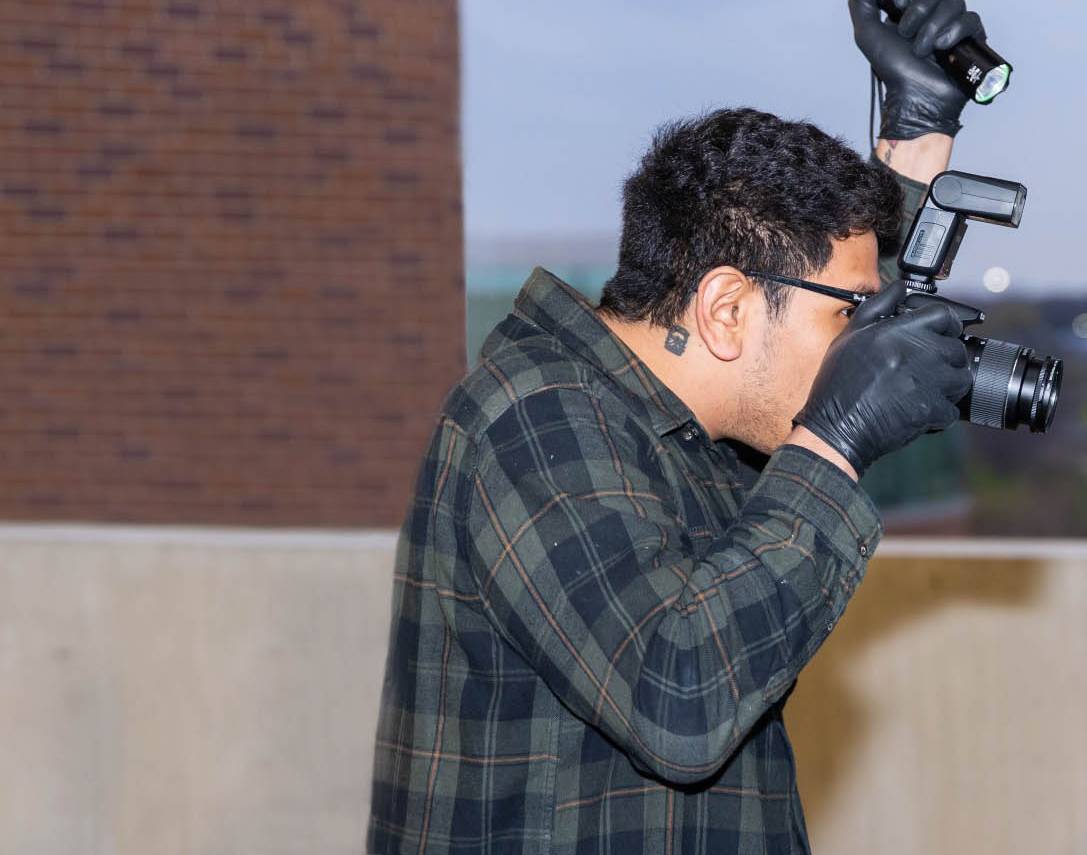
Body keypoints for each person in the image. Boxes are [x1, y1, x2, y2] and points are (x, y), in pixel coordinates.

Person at [368, 2, 992, 852]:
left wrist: (913, 142)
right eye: (851, 317)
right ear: (727, 309)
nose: (864, 347)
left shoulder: (694, 434)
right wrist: (835, 439)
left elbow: (832, 301)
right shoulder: (532, 419)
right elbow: (679, 692)